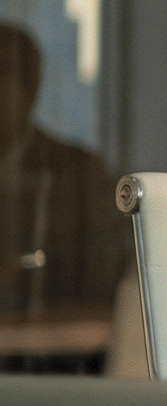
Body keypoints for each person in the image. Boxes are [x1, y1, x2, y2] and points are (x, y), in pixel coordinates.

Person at [0, 20, 126, 366]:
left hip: (57, 363)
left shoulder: (80, 174)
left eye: (4, 75)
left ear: (30, 88)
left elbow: (100, 283)